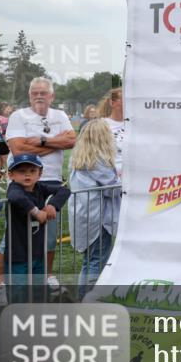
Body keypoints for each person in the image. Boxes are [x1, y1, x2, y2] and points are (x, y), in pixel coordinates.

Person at [4, 77, 76, 290]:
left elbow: (72, 141)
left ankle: (46, 275)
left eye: (43, 93)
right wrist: (56, 144)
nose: (38, 96)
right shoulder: (18, 116)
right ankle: (1, 280)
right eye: (34, 93)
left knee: (49, 233)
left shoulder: (60, 115)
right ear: (29, 95)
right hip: (22, 183)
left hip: (51, 181)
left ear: (52, 96)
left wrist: (41, 141)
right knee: (14, 234)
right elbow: (18, 149)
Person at [1, 153, 70, 302]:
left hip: (38, 254)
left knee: (39, 293)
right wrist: (37, 212)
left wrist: (53, 205)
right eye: (21, 171)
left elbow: (64, 190)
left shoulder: (40, 187)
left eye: (32, 171)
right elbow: (15, 198)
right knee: (18, 296)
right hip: (18, 256)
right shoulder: (15, 188)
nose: (27, 174)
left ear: (40, 174)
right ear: (11, 174)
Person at [68, 120, 121, 295]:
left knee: (89, 261)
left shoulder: (79, 159)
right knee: (97, 261)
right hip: (98, 217)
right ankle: (88, 299)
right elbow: (112, 188)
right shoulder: (99, 161)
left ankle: (83, 297)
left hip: (83, 215)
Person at [98, 88, 126, 177]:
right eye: (124, 100)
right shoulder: (101, 125)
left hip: (133, 179)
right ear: (112, 103)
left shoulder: (135, 124)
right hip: (111, 180)